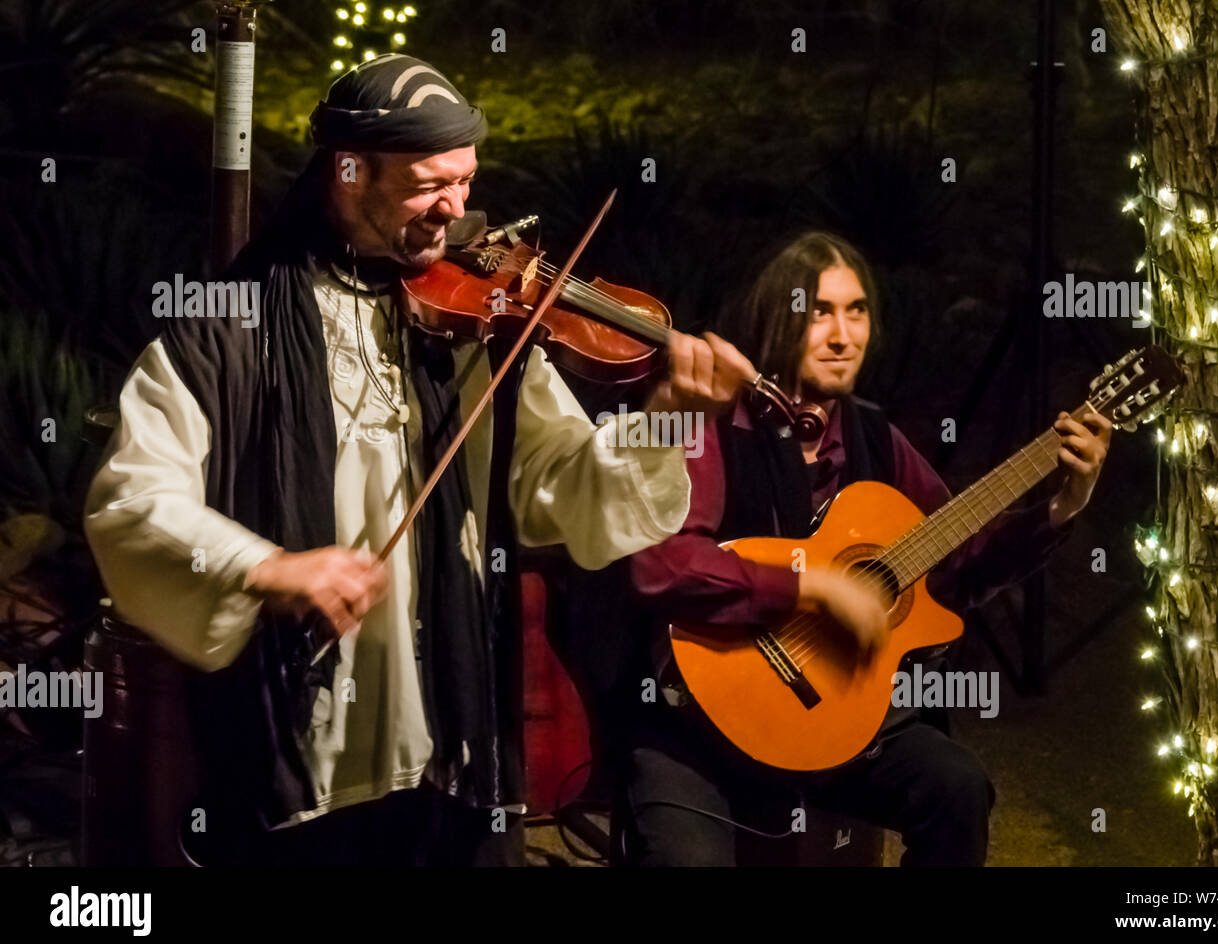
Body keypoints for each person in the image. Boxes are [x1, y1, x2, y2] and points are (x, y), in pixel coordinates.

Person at [82, 54, 757, 866]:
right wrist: (266, 568)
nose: (458, 210)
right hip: (302, 770)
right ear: (348, 171)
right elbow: (131, 505)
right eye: (428, 184)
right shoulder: (226, 333)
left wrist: (669, 417)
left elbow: (574, 491)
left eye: (466, 182)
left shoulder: (476, 328)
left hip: (451, 753)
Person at [602, 231, 1111, 866]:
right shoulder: (711, 424)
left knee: (957, 788)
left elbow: (957, 561)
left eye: (857, 310)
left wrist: (1064, 504)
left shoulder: (875, 438)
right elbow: (659, 566)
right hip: (699, 728)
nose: (844, 335)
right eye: (819, 312)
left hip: (830, 725)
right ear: (775, 317)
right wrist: (810, 586)